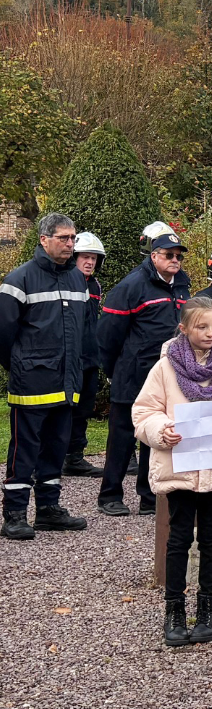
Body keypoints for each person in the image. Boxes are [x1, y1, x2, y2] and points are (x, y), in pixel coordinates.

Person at [133, 296, 212, 646]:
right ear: (184, 328)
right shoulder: (164, 369)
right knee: (178, 540)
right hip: (180, 466)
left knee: (211, 539)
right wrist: (162, 430)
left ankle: (208, 610)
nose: (210, 333)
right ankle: (173, 610)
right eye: (202, 326)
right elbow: (144, 412)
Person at [0, 212, 91, 539]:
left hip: (65, 384)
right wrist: (22, 366)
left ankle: (49, 509)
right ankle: (14, 514)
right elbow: (3, 335)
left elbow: (81, 331)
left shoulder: (77, 280)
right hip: (31, 386)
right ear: (43, 239)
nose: (70, 244)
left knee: (56, 448)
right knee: (25, 451)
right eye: (63, 238)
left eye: (72, 238)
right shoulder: (19, 280)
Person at [97, 230, 189, 517]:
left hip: (166, 376)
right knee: (122, 437)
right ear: (154, 256)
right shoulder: (131, 286)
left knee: (158, 435)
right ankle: (110, 495)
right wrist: (115, 370)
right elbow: (107, 335)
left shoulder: (183, 286)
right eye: (168, 255)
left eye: (178, 256)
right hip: (132, 374)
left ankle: (149, 496)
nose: (175, 260)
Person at [62, 231, 107, 479]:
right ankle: (49, 458)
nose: (89, 262)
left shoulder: (94, 285)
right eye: (85, 257)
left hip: (90, 358)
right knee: (63, 410)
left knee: (83, 409)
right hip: (69, 360)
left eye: (93, 258)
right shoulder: (66, 282)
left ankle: (75, 458)